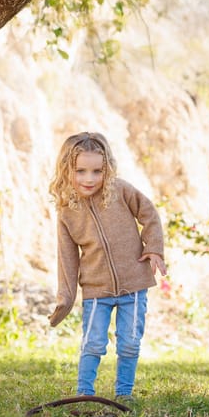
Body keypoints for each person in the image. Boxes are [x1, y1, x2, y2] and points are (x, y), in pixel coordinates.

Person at [48, 132, 166, 402]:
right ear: (67, 169)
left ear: (107, 169)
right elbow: (66, 257)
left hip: (134, 285)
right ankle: (84, 392)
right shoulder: (67, 211)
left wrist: (154, 248)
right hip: (96, 289)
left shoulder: (121, 191)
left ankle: (124, 394)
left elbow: (149, 214)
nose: (89, 179)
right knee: (93, 342)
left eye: (96, 171)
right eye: (80, 171)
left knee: (129, 343)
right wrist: (65, 298)